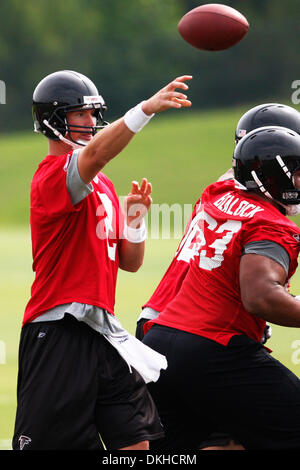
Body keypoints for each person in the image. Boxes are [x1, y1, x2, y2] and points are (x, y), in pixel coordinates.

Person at [12, 70, 192, 451]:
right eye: (81, 113)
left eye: (94, 114)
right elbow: (97, 153)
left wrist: (137, 221)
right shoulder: (51, 176)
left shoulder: (104, 185)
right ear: (53, 119)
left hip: (103, 330)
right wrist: (145, 109)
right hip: (59, 329)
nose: (92, 122)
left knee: (136, 443)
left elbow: (129, 262)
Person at [136, 103, 300, 450]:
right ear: (274, 171)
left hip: (159, 338)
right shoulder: (271, 223)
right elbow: (260, 297)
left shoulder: (217, 194)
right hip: (211, 344)